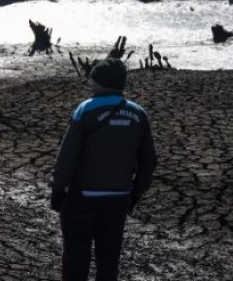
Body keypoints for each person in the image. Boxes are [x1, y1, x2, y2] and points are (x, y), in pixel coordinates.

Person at [50, 58, 157, 281]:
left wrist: (58, 192)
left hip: (82, 198)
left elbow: (66, 157)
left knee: (76, 257)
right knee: (108, 261)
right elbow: (149, 161)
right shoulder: (138, 114)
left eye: (93, 79)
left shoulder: (85, 110)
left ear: (98, 81)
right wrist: (135, 193)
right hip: (118, 199)